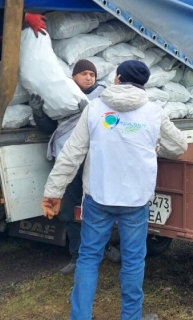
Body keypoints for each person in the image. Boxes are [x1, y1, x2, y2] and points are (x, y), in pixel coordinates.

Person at [41, 60, 188, 320]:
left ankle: (80, 316)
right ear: (143, 84)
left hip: (98, 197)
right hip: (136, 200)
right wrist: (154, 148)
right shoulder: (154, 112)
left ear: (117, 79)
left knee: (88, 259)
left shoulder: (94, 108)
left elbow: (71, 154)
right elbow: (178, 147)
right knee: (133, 261)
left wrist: (54, 192)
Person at [29, 59, 122, 274]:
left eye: (92, 74)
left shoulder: (105, 96)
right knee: (70, 211)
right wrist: (39, 114)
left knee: (99, 207)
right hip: (69, 160)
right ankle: (76, 256)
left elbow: (113, 126)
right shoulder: (62, 97)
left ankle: (106, 245)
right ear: (73, 77)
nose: (89, 77)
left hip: (96, 161)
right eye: (84, 74)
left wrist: (91, 113)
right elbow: (53, 129)